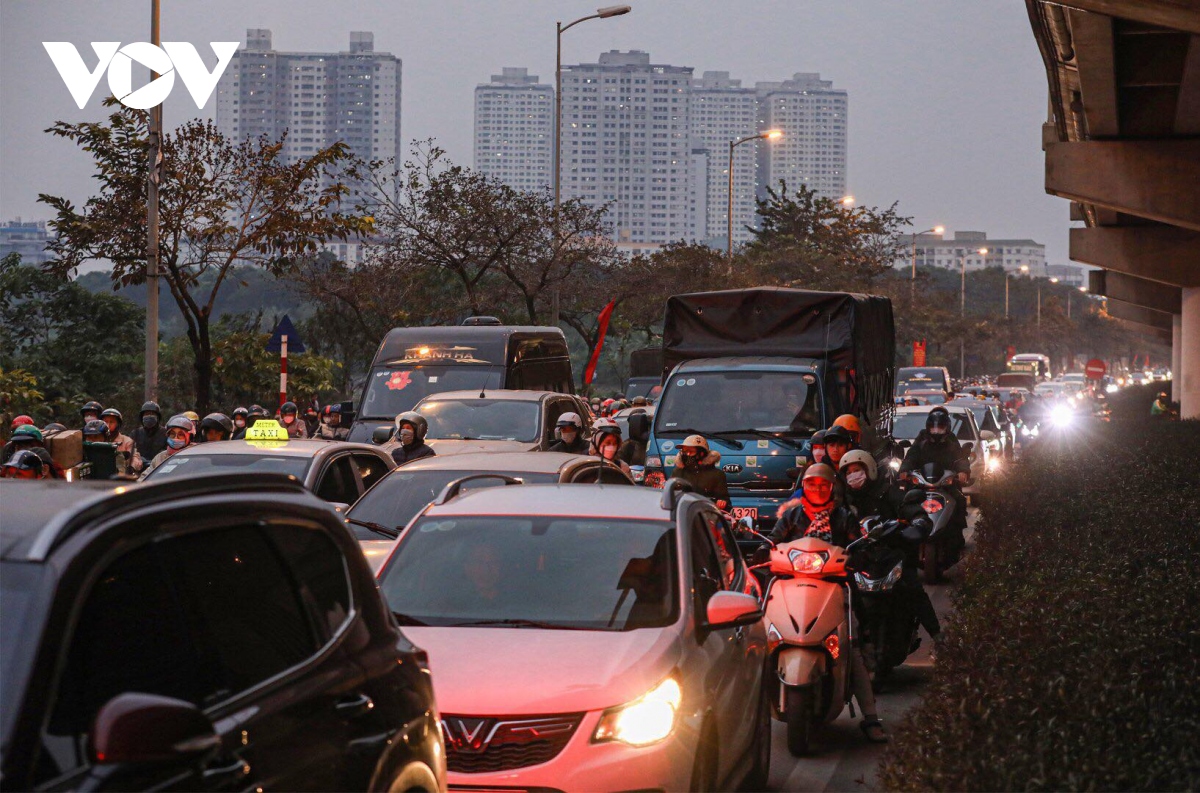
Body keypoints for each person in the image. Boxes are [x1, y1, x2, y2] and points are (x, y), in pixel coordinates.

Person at [766, 463, 888, 743]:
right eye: (811, 484)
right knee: (758, 635)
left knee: (850, 645)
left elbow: (859, 544)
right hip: (791, 587)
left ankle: (870, 716)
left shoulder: (843, 516)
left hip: (834, 588)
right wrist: (764, 548)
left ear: (832, 488)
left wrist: (860, 555)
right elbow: (773, 541)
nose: (817, 489)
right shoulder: (792, 515)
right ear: (804, 487)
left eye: (823, 485)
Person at [671, 434, 729, 509]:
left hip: (706, 514)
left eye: (691, 451)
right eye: (685, 451)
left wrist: (722, 502)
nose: (687, 454)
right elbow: (670, 495)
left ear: (701, 453)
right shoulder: (677, 472)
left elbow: (725, 500)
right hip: (681, 513)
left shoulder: (717, 474)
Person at [99, 408, 143, 475]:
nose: (108, 425)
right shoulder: (97, 439)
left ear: (118, 424)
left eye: (111, 422)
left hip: (119, 476)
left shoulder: (127, 441)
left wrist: (131, 467)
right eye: (105, 421)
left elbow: (135, 458)